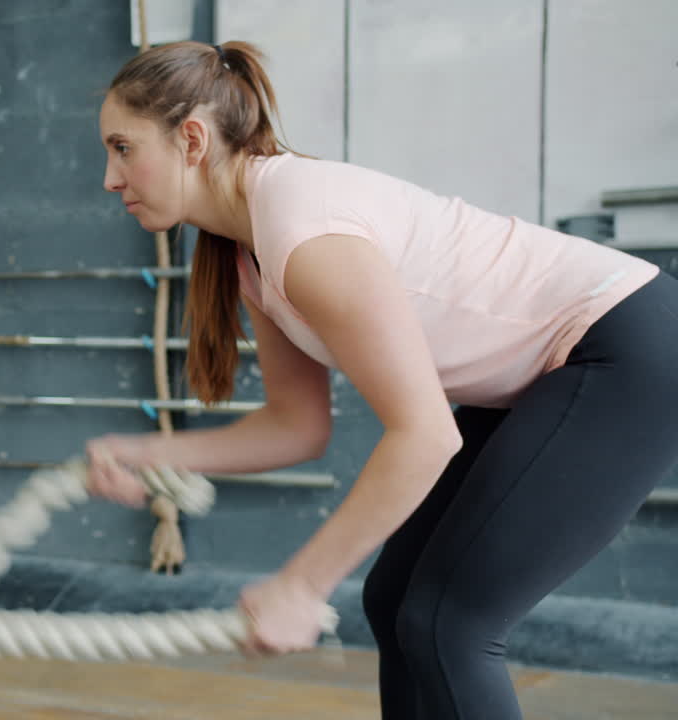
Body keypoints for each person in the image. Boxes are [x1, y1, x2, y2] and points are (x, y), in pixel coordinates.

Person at [85, 40, 678, 720]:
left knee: (448, 625)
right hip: (555, 368)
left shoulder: (303, 233)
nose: (109, 177)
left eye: (122, 148)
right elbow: (296, 426)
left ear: (190, 139)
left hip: (626, 347)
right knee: (394, 599)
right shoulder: (252, 250)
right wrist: (148, 453)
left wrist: (301, 586)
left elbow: (424, 436)